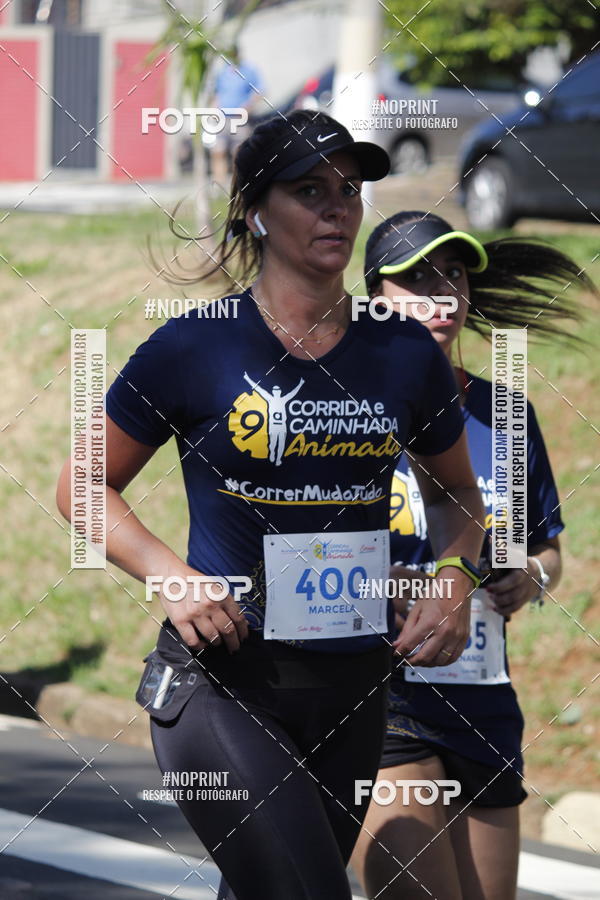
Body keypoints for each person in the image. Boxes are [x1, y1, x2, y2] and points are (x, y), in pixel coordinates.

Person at [56, 116, 485, 900]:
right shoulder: (196, 347)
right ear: (256, 209)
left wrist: (455, 574)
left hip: (353, 687)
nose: (338, 210)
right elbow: (81, 483)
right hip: (225, 683)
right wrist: (169, 574)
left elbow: (459, 493)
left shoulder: (402, 352)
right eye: (309, 190)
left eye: (350, 191)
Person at [351, 211, 594, 900]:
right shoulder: (347, 409)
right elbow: (294, 554)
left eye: (453, 273)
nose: (441, 291)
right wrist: (376, 581)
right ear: (376, 299)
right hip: (384, 692)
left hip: (485, 696)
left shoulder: (506, 416)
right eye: (417, 277)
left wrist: (531, 578)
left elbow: (544, 550)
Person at [209, 45, 264, 188]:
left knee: (238, 153)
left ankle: (238, 186)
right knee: (218, 151)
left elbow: (260, 91)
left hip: (239, 119)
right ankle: (218, 186)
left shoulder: (248, 70)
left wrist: (247, 107)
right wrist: (214, 109)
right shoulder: (222, 72)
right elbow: (216, 93)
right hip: (222, 118)